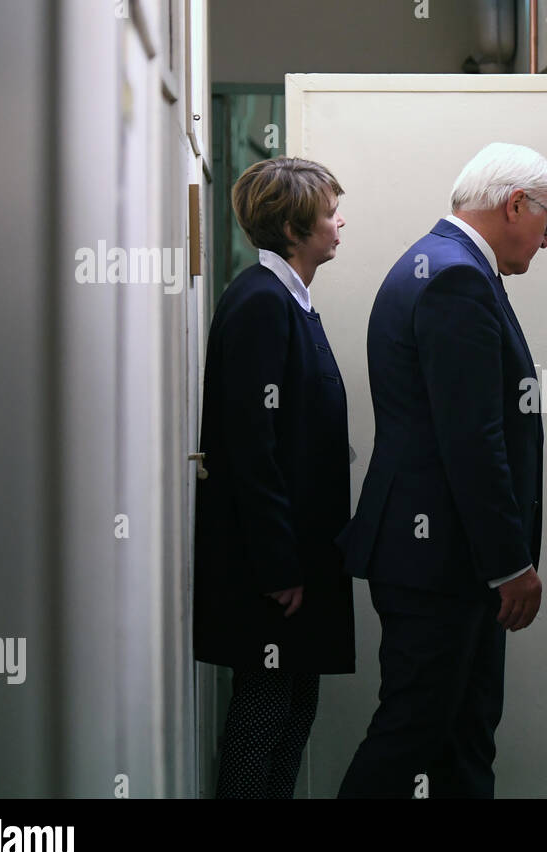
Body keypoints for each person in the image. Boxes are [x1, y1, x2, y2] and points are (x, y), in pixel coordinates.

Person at [335, 142, 547, 798]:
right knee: (414, 735)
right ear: (514, 204)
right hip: (442, 559)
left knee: (461, 737)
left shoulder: (437, 263)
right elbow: (471, 439)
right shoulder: (456, 277)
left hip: (437, 554)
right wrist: (510, 563)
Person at [193, 156, 354, 798]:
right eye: (328, 211)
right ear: (293, 225)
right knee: (263, 718)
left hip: (299, 558)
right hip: (275, 570)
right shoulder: (261, 303)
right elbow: (250, 447)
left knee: (293, 713)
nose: (340, 221)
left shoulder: (291, 300)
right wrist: (278, 564)